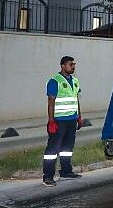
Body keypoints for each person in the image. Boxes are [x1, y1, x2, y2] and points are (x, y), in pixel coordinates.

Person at [42, 56, 84, 187]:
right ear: (63, 66)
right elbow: (51, 102)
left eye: (74, 64)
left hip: (71, 120)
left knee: (67, 148)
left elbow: (76, 100)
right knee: (52, 150)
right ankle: (48, 176)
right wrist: (51, 121)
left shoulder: (76, 81)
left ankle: (66, 171)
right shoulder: (55, 81)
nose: (73, 66)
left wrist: (79, 117)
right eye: (71, 64)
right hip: (58, 121)